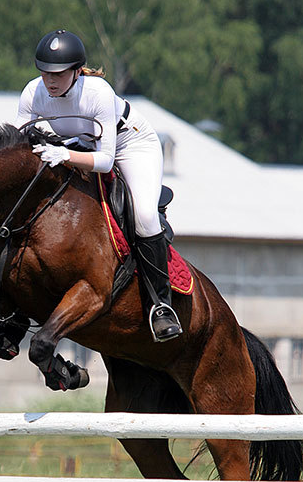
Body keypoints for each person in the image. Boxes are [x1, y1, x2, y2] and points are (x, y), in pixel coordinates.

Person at [16, 29, 182, 342]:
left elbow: (106, 161)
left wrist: (64, 154)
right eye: (45, 72)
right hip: (80, 145)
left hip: (130, 144)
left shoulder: (97, 92)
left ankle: (161, 306)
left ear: (77, 72)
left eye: (59, 73)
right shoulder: (32, 94)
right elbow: (19, 144)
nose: (50, 80)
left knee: (144, 216)